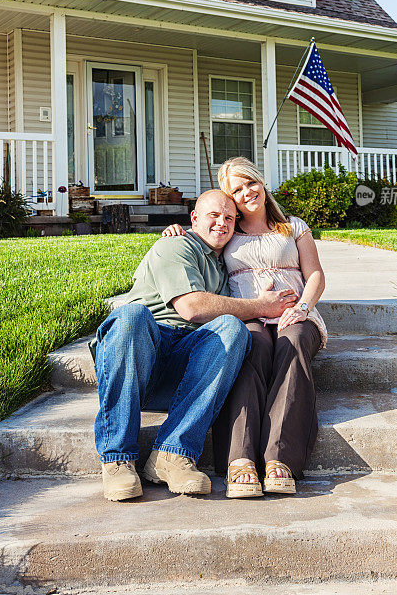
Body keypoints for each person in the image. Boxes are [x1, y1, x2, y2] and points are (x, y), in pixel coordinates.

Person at [93, 189, 298, 502]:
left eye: (229, 218)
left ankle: (172, 455)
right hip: (141, 354)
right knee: (131, 314)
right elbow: (191, 307)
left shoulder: (222, 262)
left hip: (186, 367)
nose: (222, 223)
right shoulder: (174, 245)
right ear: (194, 219)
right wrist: (261, 306)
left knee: (231, 327)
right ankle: (117, 459)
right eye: (214, 215)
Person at [162, 158, 326, 498]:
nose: (247, 192)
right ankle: (240, 458)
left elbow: (315, 275)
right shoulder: (227, 234)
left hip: (295, 313)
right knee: (251, 346)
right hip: (249, 315)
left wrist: (302, 308)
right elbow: (200, 235)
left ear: (262, 183)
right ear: (230, 200)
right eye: (236, 190)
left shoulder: (293, 227)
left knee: (291, 343)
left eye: (250, 183)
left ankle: (280, 457)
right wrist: (177, 231)